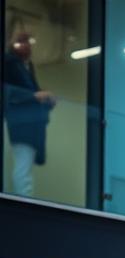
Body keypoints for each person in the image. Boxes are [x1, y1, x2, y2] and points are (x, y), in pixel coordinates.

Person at [2, 29, 56, 197]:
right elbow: (7, 91)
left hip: (31, 123)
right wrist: (34, 96)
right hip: (22, 123)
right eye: (20, 41)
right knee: (23, 166)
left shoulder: (26, 67)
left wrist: (46, 99)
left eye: (28, 42)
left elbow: (35, 94)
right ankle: (23, 201)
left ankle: (25, 199)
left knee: (25, 166)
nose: (25, 46)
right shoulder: (10, 62)